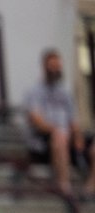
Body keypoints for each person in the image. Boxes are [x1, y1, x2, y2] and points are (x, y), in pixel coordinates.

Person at [24, 48, 95, 198]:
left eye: (58, 66)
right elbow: (36, 119)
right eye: (52, 66)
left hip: (67, 136)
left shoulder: (66, 91)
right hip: (45, 140)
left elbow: (73, 118)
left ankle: (91, 188)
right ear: (44, 66)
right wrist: (57, 130)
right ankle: (64, 187)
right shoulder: (34, 91)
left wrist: (77, 136)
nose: (56, 69)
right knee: (60, 136)